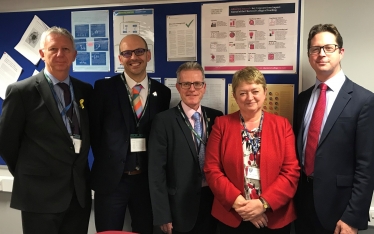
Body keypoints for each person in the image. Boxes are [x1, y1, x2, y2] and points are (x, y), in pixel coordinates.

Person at [0, 26, 92, 234]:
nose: (60, 54)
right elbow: (6, 143)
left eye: (66, 49)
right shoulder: (22, 91)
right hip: (39, 196)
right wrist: (30, 174)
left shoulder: (85, 90)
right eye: (53, 49)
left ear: (74, 55)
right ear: (42, 54)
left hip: (78, 194)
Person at [293, 24, 374, 234]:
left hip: (339, 211)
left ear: (341, 52)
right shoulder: (303, 99)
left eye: (329, 48)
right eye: (315, 49)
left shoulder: (364, 100)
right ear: (309, 55)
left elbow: (367, 166)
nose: (321, 54)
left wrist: (352, 217)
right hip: (302, 205)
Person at [90, 34, 171, 233]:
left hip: (145, 182)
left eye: (139, 51)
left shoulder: (162, 93)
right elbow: (95, 132)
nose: (134, 57)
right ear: (120, 58)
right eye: (127, 53)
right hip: (111, 182)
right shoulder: (104, 88)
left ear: (148, 55)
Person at [204, 66, 300, 234]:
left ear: (265, 92)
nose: (249, 98)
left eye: (255, 91)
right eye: (242, 93)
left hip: (274, 216)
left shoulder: (282, 125)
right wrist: (242, 206)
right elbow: (212, 170)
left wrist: (263, 204)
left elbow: (290, 172)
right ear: (234, 96)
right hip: (233, 215)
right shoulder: (221, 125)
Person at [148, 61, 223, 234]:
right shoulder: (164, 121)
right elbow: (156, 172)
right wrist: (162, 214)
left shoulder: (216, 117)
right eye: (186, 84)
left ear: (204, 87)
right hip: (178, 207)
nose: (192, 89)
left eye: (197, 83)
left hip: (212, 203)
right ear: (178, 87)